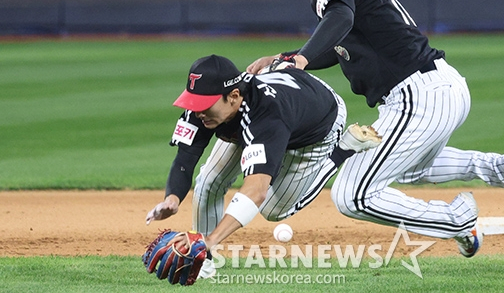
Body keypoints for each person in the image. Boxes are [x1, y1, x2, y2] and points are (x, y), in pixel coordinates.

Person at [247, 0, 504, 257]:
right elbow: (341, 45)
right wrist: (286, 56)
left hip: (417, 96)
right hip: (438, 87)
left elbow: (340, 18)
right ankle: (501, 169)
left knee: (352, 195)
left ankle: (456, 219)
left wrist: (301, 59)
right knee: (405, 169)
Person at [145, 54, 380, 277]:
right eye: (195, 103)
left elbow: (255, 191)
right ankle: (204, 263)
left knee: (273, 210)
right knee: (208, 180)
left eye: (205, 105)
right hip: (280, 100)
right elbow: (186, 156)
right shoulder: (205, 105)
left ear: (234, 96)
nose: (198, 111)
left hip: (317, 124)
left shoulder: (266, 117)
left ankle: (344, 149)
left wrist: (210, 240)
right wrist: (172, 199)